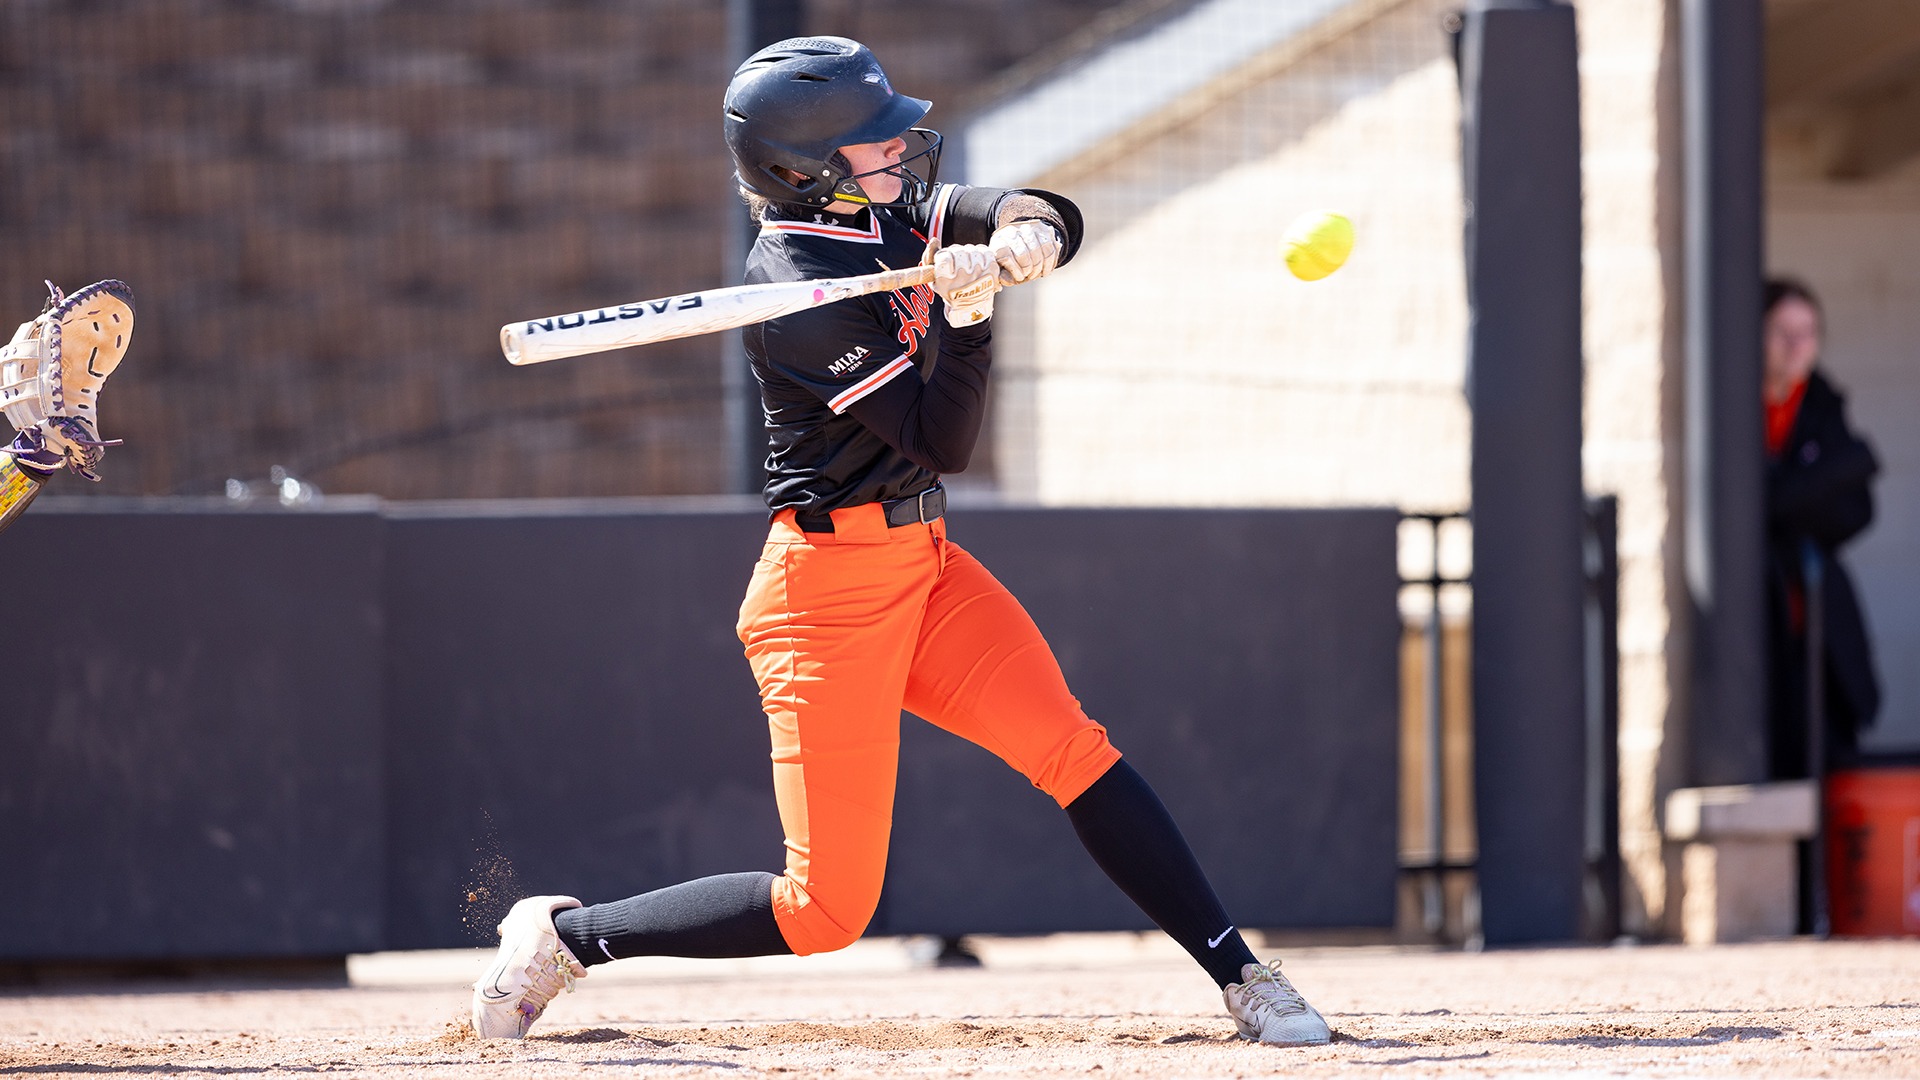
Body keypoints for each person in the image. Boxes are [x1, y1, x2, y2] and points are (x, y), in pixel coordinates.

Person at [471, 37, 1331, 1048]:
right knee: (824, 910)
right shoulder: (789, 288)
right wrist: (968, 318)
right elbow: (941, 438)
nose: (900, 153)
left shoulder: (882, 208)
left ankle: (1241, 974)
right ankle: (569, 938)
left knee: (1074, 752)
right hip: (822, 597)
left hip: (922, 569)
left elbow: (1038, 207)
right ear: (811, 170)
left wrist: (1026, 237)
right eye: (874, 144)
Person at [1761, 276, 1880, 780]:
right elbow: (1754, 508)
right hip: (1759, 623)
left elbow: (1855, 510)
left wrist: (1786, 501)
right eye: (1782, 331)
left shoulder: (1824, 404)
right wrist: (1841, 469)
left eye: (1807, 332)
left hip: (1817, 614)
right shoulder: (1731, 405)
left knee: (1828, 755)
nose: (1796, 345)